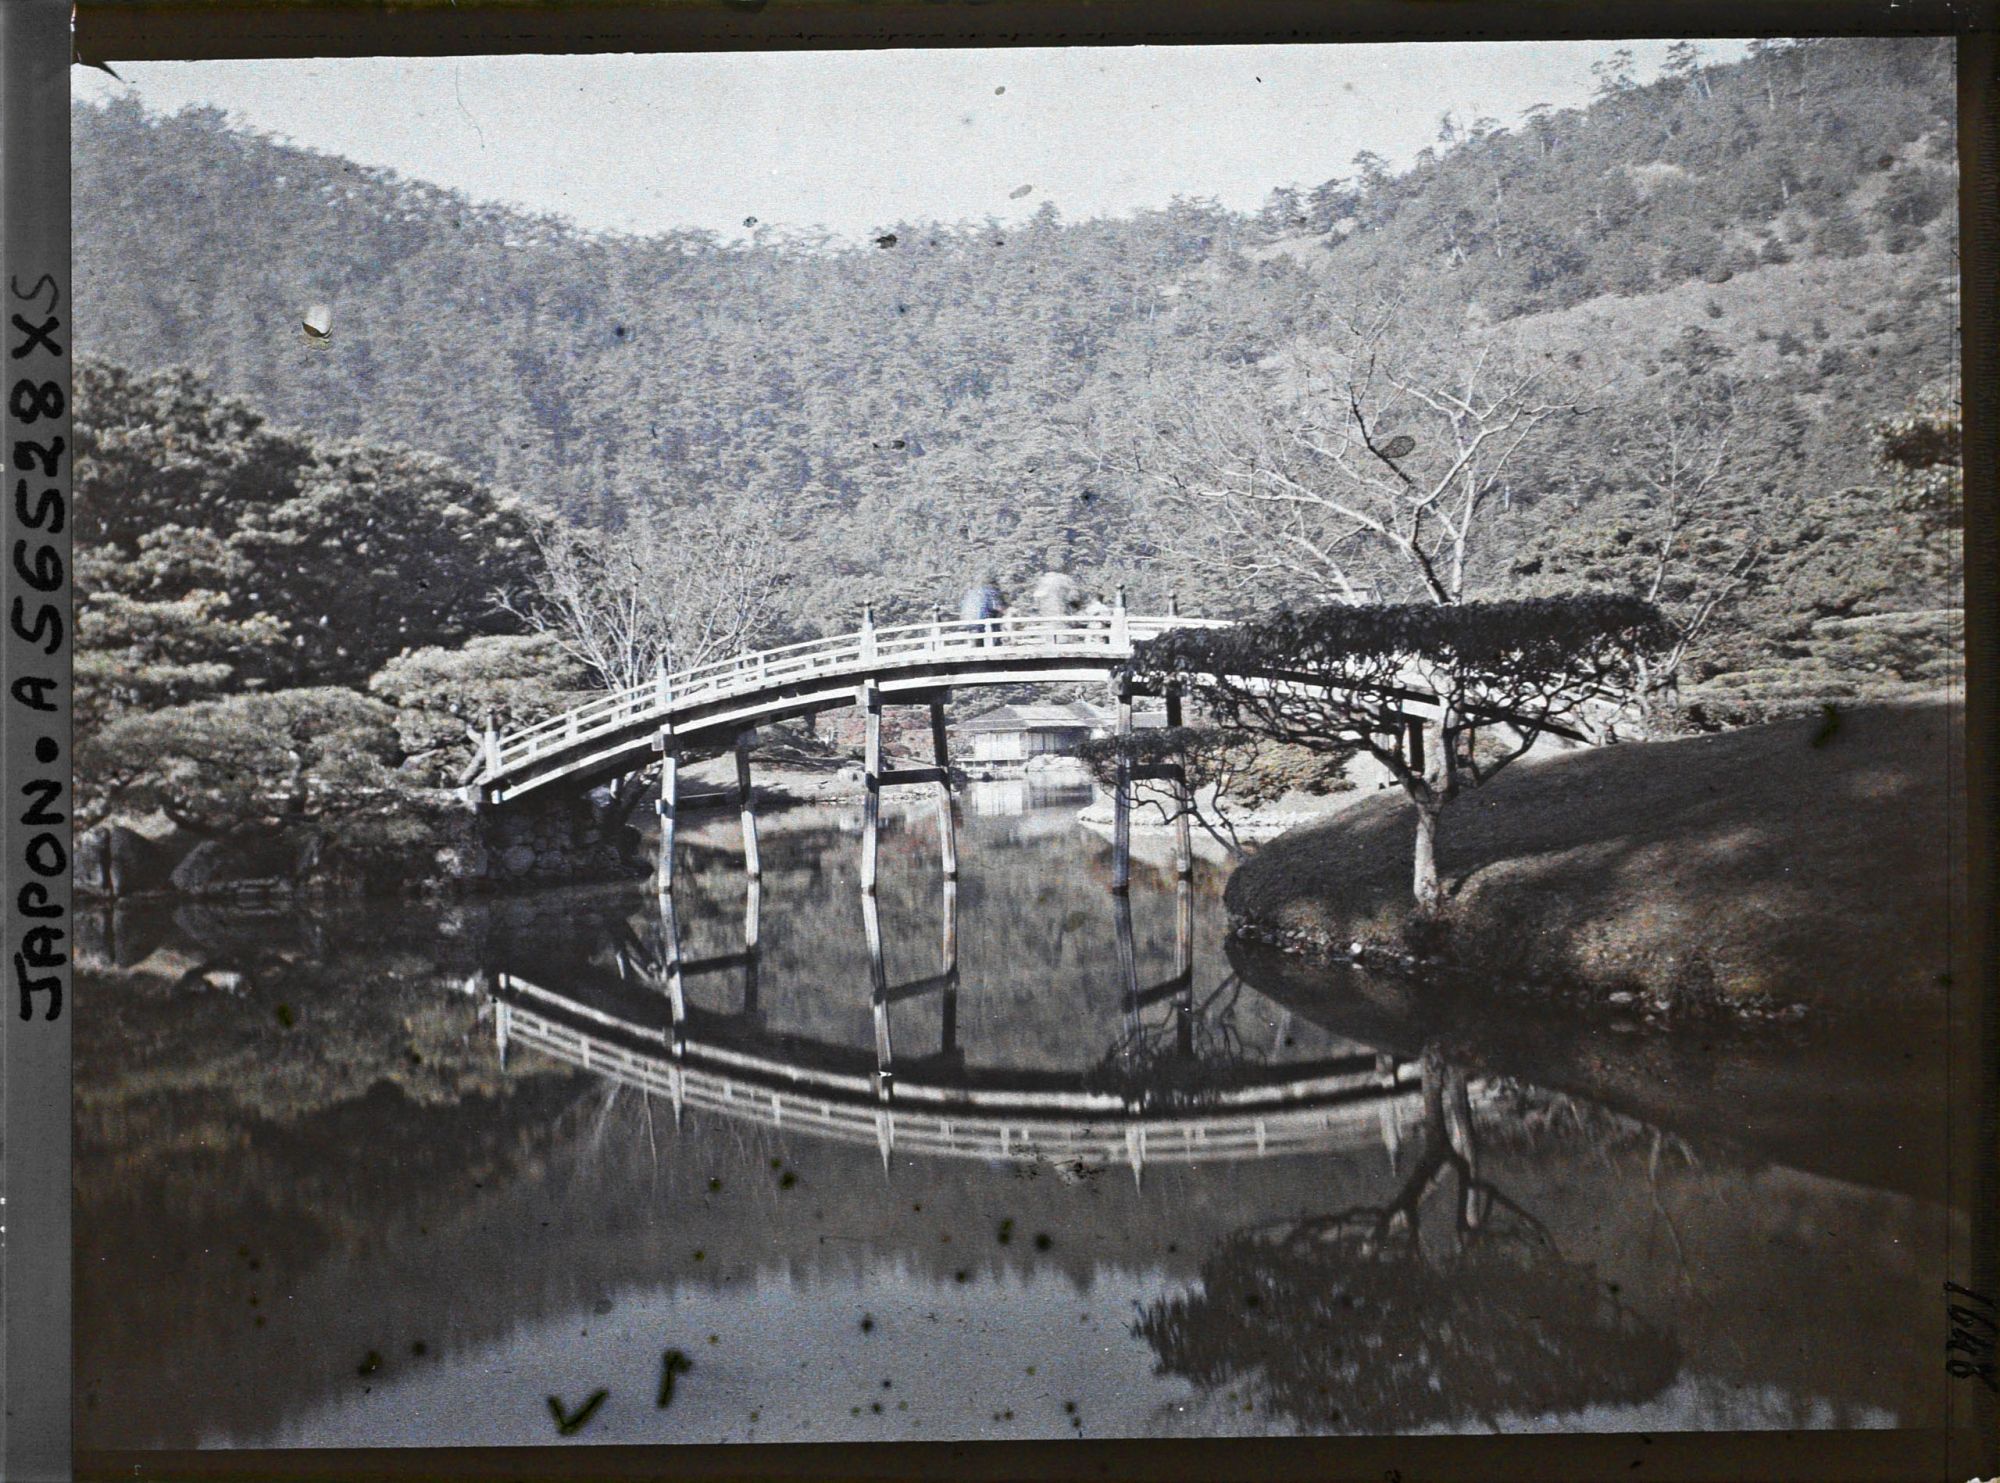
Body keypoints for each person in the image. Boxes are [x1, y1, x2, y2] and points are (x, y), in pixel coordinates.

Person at [959, 574, 1003, 646]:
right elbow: (996, 606)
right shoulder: (990, 592)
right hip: (983, 620)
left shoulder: (971, 593)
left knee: (977, 642)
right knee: (992, 636)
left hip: (969, 620)